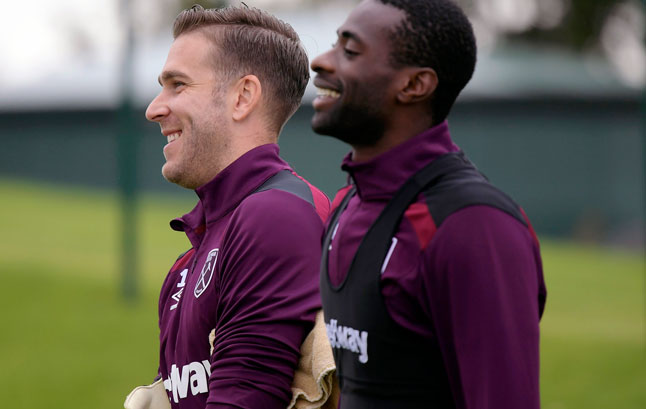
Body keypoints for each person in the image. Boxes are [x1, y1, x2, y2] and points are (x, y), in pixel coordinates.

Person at [310, 0, 547, 408]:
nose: (320, 61)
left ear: (414, 85)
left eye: (350, 51)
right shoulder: (349, 206)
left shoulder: (472, 225)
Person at [137, 5, 330, 409]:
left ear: (242, 97)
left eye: (178, 85)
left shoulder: (275, 215)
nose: (154, 108)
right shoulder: (185, 263)